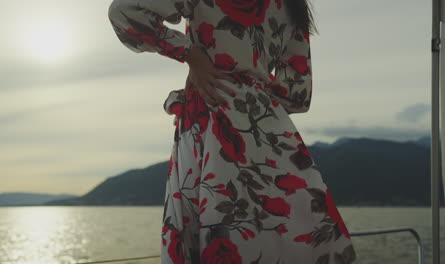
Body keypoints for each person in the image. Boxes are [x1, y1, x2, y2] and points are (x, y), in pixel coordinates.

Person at [107, 0, 357, 263]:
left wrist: (192, 55)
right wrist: (251, 79)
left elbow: (124, 12)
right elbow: (297, 95)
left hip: (211, 113)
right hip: (270, 129)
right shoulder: (292, 6)